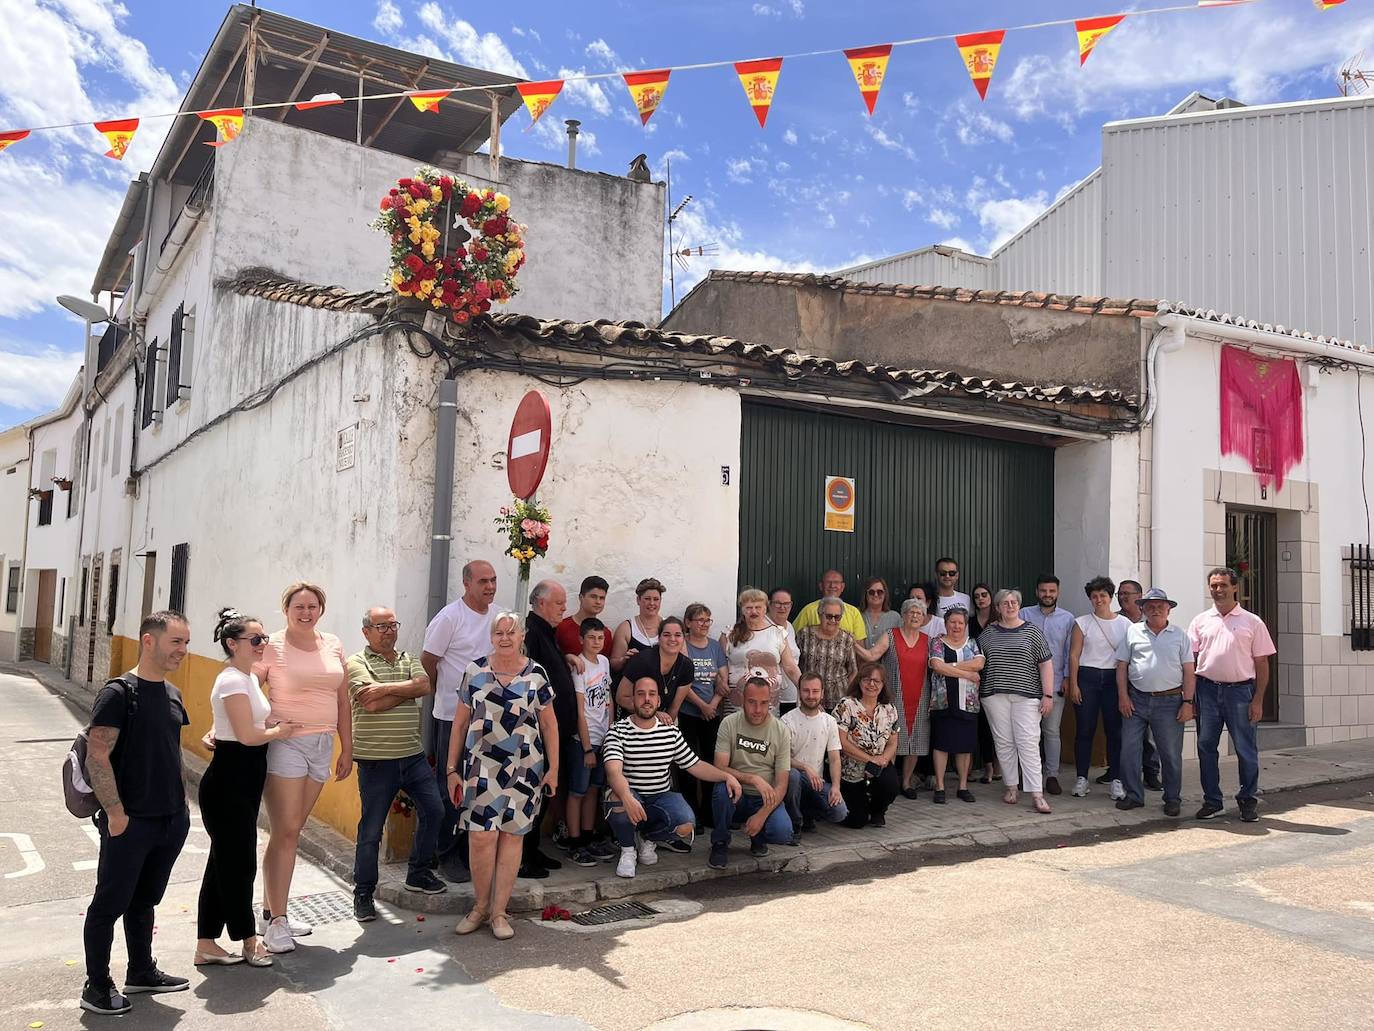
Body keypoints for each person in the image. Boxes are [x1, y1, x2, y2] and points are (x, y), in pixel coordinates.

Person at [81, 611, 193, 1016]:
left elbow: (171, 752)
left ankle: (141, 971)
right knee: (109, 904)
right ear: (149, 641)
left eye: (185, 642)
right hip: (131, 820)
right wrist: (115, 813)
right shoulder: (118, 693)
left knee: (144, 900)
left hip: (169, 819)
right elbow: (97, 756)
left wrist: (182, 808)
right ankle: (96, 985)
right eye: (175, 642)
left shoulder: (173, 694)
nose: (183, 650)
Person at [446, 613, 559, 940]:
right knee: (481, 837)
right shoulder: (474, 672)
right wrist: (451, 769)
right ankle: (479, 907)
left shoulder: (536, 674)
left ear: (521, 635)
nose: (506, 637)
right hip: (481, 767)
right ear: (491, 636)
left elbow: (550, 725)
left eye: (511, 631)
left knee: (511, 837)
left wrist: (554, 769)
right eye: (499, 632)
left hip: (524, 768)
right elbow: (459, 724)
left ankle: (498, 912)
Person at [255, 582, 351, 954]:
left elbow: (342, 700)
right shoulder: (272, 646)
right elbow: (247, 684)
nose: (306, 612)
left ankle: (270, 912)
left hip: (322, 743)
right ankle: (277, 921)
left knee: (291, 831)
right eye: (299, 606)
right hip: (287, 743)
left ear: (320, 610)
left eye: (313, 606)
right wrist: (227, 723)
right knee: (287, 831)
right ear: (286, 609)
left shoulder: (333, 644)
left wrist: (347, 748)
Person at [196, 609, 294, 970]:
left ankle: (206, 943)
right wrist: (278, 732)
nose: (262, 644)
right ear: (232, 644)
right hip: (230, 781)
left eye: (264, 638)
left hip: (243, 778)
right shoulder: (233, 681)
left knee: (222, 863)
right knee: (239, 865)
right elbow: (249, 736)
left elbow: (243, 722)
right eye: (256, 639)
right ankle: (248, 940)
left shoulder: (246, 677)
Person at [347, 606, 446, 923]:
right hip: (377, 761)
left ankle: (417, 873)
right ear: (366, 632)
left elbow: (425, 686)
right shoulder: (355, 662)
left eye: (393, 624)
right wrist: (405, 690)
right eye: (381, 626)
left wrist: (386, 688)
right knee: (371, 830)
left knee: (435, 810)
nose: (389, 631)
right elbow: (369, 703)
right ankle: (363, 893)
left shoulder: (409, 658)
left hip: (412, 756)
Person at [602, 677, 742, 878]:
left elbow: (694, 764)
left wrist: (726, 776)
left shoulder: (670, 731)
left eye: (652, 694)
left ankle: (647, 838)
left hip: (660, 797)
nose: (646, 699)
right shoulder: (618, 731)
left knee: (686, 824)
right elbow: (613, 772)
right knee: (616, 800)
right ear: (633, 700)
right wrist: (626, 796)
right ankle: (628, 850)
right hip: (631, 796)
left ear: (659, 701)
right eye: (641, 694)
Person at [421, 559, 497, 883]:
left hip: (489, 717)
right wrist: (442, 692)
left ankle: (471, 853)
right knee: (450, 785)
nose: (490, 586)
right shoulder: (450, 617)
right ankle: (447, 854)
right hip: (453, 715)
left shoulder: (498, 616)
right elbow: (428, 659)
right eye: (483, 581)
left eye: (493, 580)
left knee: (480, 785)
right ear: (467, 584)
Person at [1187, 567, 1276, 823]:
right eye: (1213, 585)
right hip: (1206, 690)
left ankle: (1248, 801)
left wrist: (1258, 699)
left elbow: (1261, 663)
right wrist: (1190, 697)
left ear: (1234, 587)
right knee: (1206, 747)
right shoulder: (1200, 621)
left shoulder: (1252, 621)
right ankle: (1212, 801)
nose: (1218, 590)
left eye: (1223, 585)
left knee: (1246, 750)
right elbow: (1191, 661)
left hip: (1241, 693)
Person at [1115, 588, 1195, 816]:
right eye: (1150, 606)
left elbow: (1190, 671)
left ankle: (1172, 798)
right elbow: (1122, 666)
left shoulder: (1180, 635)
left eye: (1161, 605)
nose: (1156, 609)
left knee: (1169, 753)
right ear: (1143, 609)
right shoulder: (1133, 632)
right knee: (1129, 750)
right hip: (1136, 700)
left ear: (1169, 609)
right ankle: (1133, 795)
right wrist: (1123, 696)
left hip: (1169, 702)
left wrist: (1188, 702)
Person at [979, 589, 1055, 814]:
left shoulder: (1032, 632)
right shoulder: (988, 634)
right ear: (998, 607)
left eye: (1013, 602)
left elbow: (1046, 664)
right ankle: (1011, 787)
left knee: (1028, 742)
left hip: (1027, 695)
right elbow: (976, 660)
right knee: (1004, 742)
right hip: (994, 694)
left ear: (1019, 606)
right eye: (1005, 603)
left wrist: (1048, 695)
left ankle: (1037, 794)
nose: (1009, 606)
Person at [521, 580, 578, 876]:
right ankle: (522, 858)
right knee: (533, 795)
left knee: (543, 795)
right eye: (559, 603)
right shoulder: (531, 634)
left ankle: (532, 850)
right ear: (541, 603)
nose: (564, 608)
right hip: (537, 732)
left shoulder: (547, 633)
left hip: (555, 733)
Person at [709, 675, 795, 867]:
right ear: (742, 700)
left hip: (764, 799)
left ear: (771, 701)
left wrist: (762, 815)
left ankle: (758, 836)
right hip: (736, 794)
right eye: (752, 702)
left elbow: (782, 784)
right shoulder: (729, 723)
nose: (758, 709)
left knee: (782, 832)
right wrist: (753, 779)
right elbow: (719, 766)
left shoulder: (781, 731)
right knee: (721, 790)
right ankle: (720, 842)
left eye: (764, 703)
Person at [859, 598, 938, 798]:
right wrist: (851, 641)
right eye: (911, 612)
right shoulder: (890, 635)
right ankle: (889, 780)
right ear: (902, 616)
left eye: (919, 613)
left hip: (920, 697)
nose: (914, 616)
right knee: (891, 740)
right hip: (894, 697)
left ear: (923, 618)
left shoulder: (929, 641)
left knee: (916, 740)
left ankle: (906, 782)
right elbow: (871, 656)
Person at [1068, 576, 1131, 801]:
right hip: (1088, 677)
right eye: (1094, 596)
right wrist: (1074, 683)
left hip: (1114, 679)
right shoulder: (1082, 622)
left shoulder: (1125, 624)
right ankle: (1082, 778)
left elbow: (1129, 656)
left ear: (1110, 597)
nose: (1098, 599)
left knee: (1115, 731)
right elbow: (1074, 654)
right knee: (1085, 729)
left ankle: (1116, 779)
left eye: (1102, 595)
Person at [1019, 574, 1074, 795]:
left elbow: (1070, 651)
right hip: (1026, 684)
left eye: (1051, 591)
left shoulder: (1068, 619)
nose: (1047, 595)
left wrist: (1069, 679)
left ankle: (1051, 775)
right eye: (1043, 591)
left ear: (1058, 592)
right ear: (1037, 592)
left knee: (1051, 732)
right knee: (1027, 734)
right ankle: (1028, 775)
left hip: (1055, 684)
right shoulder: (1024, 614)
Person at [567, 618, 615, 866]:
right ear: (581, 639)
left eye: (600, 638)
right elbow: (579, 710)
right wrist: (587, 747)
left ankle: (587, 836)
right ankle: (574, 841)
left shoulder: (605, 662)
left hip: (602, 737)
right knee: (578, 791)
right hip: (583, 741)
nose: (597, 642)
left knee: (594, 789)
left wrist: (611, 734)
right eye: (592, 638)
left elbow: (608, 698)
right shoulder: (579, 665)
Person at [927, 607, 985, 804]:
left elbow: (979, 664)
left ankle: (962, 786)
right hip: (943, 702)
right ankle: (940, 786)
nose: (956, 626)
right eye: (953, 622)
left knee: (964, 746)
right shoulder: (937, 642)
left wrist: (949, 667)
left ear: (965, 625)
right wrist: (967, 674)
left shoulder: (972, 643)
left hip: (967, 703)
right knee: (941, 745)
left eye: (960, 622)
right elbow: (936, 665)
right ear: (946, 624)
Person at [679, 603, 729, 827]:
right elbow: (683, 683)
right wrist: (702, 706)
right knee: (687, 764)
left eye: (707, 620)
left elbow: (723, 679)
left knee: (711, 762)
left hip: (711, 714)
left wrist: (713, 705)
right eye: (699, 620)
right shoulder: (683, 645)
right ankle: (692, 814)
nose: (704, 625)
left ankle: (710, 812)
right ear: (688, 623)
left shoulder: (715, 647)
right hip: (689, 712)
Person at [833, 663, 900, 828]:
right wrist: (870, 759)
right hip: (850, 770)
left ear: (883, 685)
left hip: (879, 766)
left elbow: (893, 742)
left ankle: (878, 811)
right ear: (859, 682)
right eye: (867, 679)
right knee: (857, 821)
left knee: (891, 785)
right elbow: (841, 742)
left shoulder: (890, 709)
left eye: (877, 681)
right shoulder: (846, 705)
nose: (871, 684)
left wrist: (883, 759)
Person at [781, 672, 848, 831]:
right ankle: (795, 822)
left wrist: (836, 787)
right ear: (799, 692)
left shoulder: (829, 721)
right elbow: (781, 758)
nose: (811, 695)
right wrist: (806, 768)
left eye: (815, 691)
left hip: (817, 783)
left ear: (822, 693)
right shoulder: (787, 720)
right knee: (793, 775)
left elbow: (834, 759)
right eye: (806, 691)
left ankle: (807, 813)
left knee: (839, 813)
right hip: (793, 780)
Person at [723, 587, 802, 714]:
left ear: (766, 608)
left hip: (769, 705)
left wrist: (804, 689)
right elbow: (721, 664)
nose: (753, 611)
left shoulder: (778, 633)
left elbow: (790, 667)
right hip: (737, 705)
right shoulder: (729, 633)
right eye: (749, 608)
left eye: (758, 607)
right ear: (742, 609)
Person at [1116, 579, 1163, 791]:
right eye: (1120, 593)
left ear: (1139, 596)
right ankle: (1117, 771)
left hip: (1149, 688)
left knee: (1149, 735)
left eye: (1127, 593)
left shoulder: (1152, 619)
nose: (1122, 597)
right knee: (1122, 733)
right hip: (1121, 683)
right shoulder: (1115, 620)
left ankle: (1151, 772)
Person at [616, 615, 695, 720]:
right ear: (659, 638)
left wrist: (665, 731)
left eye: (678, 635)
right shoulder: (642, 661)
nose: (672, 639)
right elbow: (621, 698)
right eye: (666, 635)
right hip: (632, 720)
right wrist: (654, 714)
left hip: (661, 724)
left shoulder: (686, 666)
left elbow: (674, 708)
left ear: (683, 638)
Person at [797, 596, 860, 710]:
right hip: (810, 698)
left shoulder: (847, 638)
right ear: (820, 614)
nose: (833, 621)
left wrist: (847, 698)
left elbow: (853, 670)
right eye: (829, 616)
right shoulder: (805, 634)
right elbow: (795, 665)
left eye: (837, 617)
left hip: (838, 700)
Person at [968, 581, 1000, 785]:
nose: (981, 598)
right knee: (980, 724)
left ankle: (998, 767)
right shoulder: (969, 622)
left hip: (996, 676)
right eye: (977, 596)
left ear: (991, 597)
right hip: (973, 677)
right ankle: (987, 766)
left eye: (984, 595)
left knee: (996, 724)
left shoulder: (999, 621)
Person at [610, 577, 666, 675]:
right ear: (638, 600)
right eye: (647, 599)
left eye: (656, 599)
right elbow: (614, 665)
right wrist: (624, 660)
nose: (652, 603)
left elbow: (682, 661)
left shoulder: (669, 626)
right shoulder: (626, 628)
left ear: (660, 601)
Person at [791, 569, 867, 640]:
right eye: (828, 582)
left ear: (842, 587)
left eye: (836, 582)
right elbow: (792, 637)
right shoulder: (808, 610)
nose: (832, 586)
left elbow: (859, 645)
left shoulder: (854, 612)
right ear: (821, 586)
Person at [557, 575, 612, 662]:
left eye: (602, 598)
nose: (598, 602)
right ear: (581, 597)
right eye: (593, 597)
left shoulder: (605, 634)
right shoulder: (561, 627)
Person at [768, 587, 802, 715]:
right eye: (777, 603)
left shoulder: (789, 626)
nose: (782, 607)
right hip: (772, 695)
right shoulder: (764, 626)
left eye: (786, 604)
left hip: (791, 694)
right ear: (769, 604)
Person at [859, 576, 901, 646]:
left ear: (885, 594)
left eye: (880, 592)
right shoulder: (857, 615)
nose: (876, 595)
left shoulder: (895, 617)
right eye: (871, 592)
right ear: (865, 594)